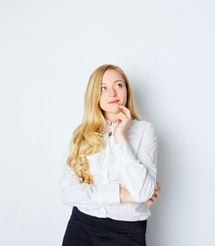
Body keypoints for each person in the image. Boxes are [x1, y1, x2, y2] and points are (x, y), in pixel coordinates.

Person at [59, 64, 161, 246]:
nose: (112, 93)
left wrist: (120, 138)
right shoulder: (82, 134)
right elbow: (67, 192)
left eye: (119, 85)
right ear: (94, 96)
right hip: (81, 226)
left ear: (127, 91)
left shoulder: (144, 131)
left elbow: (144, 192)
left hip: (126, 232)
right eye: (103, 88)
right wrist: (123, 195)